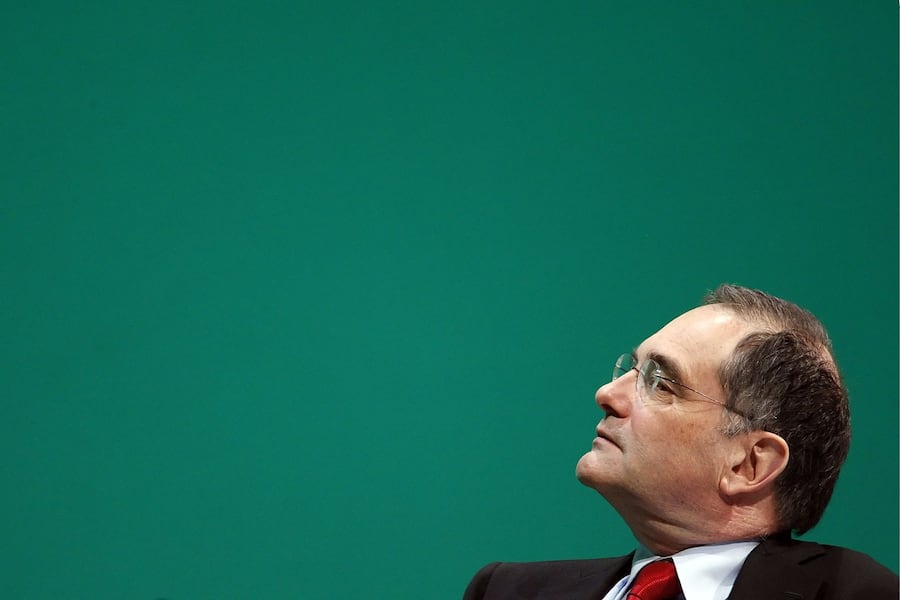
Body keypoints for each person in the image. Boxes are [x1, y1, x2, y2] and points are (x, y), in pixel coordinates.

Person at [464, 284, 898, 599]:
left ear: (748, 464)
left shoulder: (858, 593)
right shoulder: (505, 590)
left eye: (661, 383)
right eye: (631, 370)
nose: (607, 395)